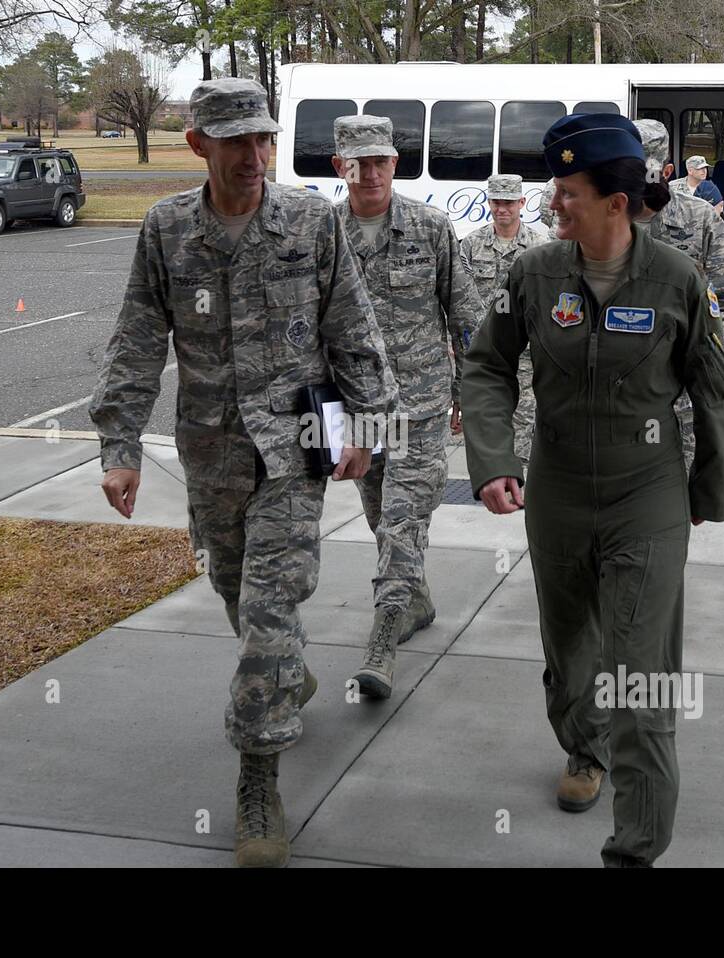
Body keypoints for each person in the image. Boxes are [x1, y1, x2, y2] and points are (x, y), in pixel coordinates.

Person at [89, 78, 395, 868]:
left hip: (294, 451)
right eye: (237, 144)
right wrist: (119, 448)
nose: (256, 157)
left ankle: (258, 776)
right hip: (212, 454)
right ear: (199, 146)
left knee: (267, 605)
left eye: (264, 140)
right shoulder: (167, 231)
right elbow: (134, 343)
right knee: (236, 590)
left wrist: (366, 422)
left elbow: (352, 327)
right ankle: (287, 669)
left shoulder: (309, 220)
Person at [462, 114, 724, 867]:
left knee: (641, 675)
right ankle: (583, 751)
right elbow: (486, 365)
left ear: (616, 201)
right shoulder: (535, 272)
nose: (555, 205)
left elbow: (718, 388)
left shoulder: (677, 278)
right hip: (556, 492)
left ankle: (637, 847)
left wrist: (710, 490)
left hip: (644, 494)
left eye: (569, 193)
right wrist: (490, 459)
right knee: (570, 650)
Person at [329, 114, 484, 700]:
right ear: (340, 166)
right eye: (358, 162)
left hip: (420, 407)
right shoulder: (323, 233)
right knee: (380, 521)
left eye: (381, 161)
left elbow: (467, 318)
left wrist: (472, 398)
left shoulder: (429, 227)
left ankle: (382, 641)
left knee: (401, 522)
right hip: (361, 415)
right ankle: (414, 601)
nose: (370, 173)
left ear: (395, 162)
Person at [632, 119, 724, 467]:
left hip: (683, 387)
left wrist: (715, 363)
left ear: (667, 171)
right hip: (617, 387)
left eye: (646, 174)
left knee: (681, 486)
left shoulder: (698, 219)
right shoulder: (601, 217)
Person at [459, 173, 550, 465]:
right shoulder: (472, 244)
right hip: (486, 348)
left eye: (509, 203)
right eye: (497, 202)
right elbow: (462, 296)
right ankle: (494, 468)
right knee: (489, 410)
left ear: (522, 202)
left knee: (525, 413)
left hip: (525, 348)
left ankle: (519, 472)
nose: (502, 209)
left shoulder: (539, 245)